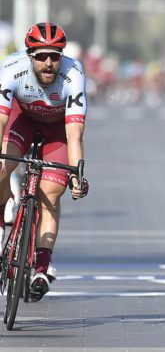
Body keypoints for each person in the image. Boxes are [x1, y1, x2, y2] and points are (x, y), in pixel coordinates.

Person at [0, 22, 89, 301]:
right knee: (1, 169)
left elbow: (74, 135)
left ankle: (41, 268)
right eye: (41, 56)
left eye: (54, 56)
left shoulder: (73, 74)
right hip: (22, 120)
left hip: (57, 131)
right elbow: (1, 121)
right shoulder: (11, 68)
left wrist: (76, 175)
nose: (48, 63)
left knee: (50, 193)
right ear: (30, 56)